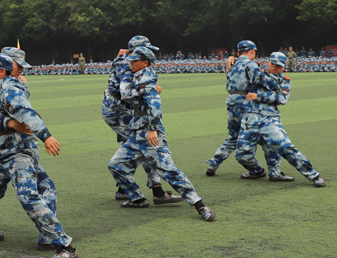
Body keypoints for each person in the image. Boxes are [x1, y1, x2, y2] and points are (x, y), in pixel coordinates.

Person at [0, 53, 77, 258]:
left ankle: (65, 246)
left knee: (29, 197)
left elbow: (27, 112)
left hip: (19, 152)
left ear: (2, 71)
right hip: (2, 153)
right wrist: (10, 123)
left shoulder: (8, 87)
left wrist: (46, 136)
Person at [108, 47, 215, 221]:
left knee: (169, 171)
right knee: (116, 165)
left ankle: (200, 206)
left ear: (145, 62)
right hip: (137, 133)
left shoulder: (146, 78)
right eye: (131, 60)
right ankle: (137, 198)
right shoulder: (138, 75)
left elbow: (154, 105)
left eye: (135, 61)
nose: (131, 63)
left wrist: (153, 129)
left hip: (149, 133)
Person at [103, 36, 182, 205]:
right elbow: (125, 92)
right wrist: (152, 90)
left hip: (119, 110)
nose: (150, 53)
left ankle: (124, 189)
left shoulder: (122, 60)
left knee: (132, 147)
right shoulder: (127, 65)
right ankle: (157, 192)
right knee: (145, 145)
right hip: (119, 111)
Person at [235, 52, 325, 187]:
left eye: (279, 66)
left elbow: (282, 99)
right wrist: (233, 59)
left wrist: (258, 96)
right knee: (242, 155)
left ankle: (313, 175)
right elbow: (240, 68)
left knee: (285, 148)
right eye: (273, 64)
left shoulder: (285, 81)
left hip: (269, 120)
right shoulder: (256, 73)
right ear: (268, 61)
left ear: (284, 67)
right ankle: (257, 171)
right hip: (249, 119)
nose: (275, 67)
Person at [205, 41, 290, 181]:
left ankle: (214, 163)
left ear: (238, 53)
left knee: (233, 137)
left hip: (231, 103)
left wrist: (232, 58)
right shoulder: (250, 64)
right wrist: (276, 84)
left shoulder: (232, 63)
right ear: (252, 51)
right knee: (263, 138)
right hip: (246, 103)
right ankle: (267, 170)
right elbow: (263, 80)